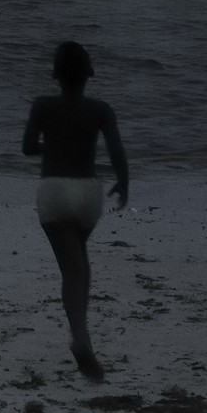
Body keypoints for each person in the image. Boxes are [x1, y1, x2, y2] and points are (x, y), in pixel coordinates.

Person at [22, 41, 129, 382]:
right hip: (87, 194)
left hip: (54, 192)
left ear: (55, 75)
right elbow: (116, 152)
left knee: (73, 270)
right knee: (79, 264)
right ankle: (81, 334)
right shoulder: (100, 110)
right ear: (88, 75)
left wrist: (53, 144)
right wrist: (124, 183)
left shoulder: (43, 105)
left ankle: (81, 338)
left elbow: (27, 148)